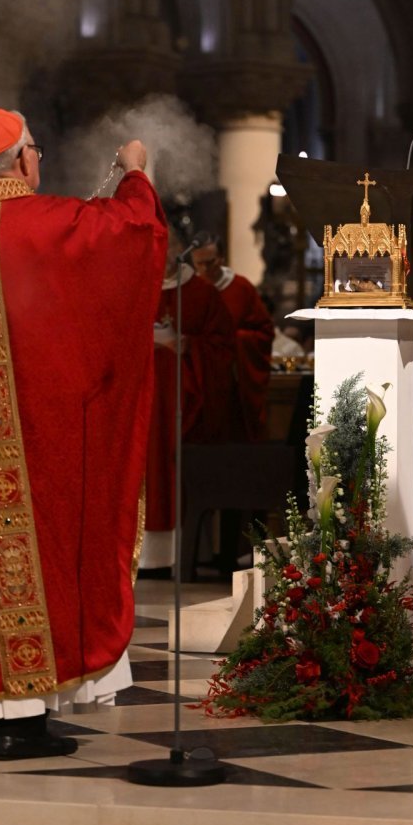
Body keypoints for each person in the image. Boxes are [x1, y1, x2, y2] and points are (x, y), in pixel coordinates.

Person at [0, 108, 166, 761]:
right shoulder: (43, 224)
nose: (40, 162)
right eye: (37, 153)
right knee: (37, 560)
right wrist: (136, 173)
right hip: (34, 443)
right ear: (23, 159)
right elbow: (130, 236)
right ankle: (18, 720)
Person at [140, 228, 235, 572]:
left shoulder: (201, 293)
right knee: (147, 468)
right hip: (145, 401)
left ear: (180, 250)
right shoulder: (136, 286)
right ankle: (147, 556)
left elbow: (223, 344)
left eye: (170, 248)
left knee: (179, 470)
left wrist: (190, 346)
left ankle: (187, 552)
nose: (164, 256)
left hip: (186, 399)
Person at [191, 231, 274, 441]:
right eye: (198, 264)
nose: (204, 269)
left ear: (221, 259)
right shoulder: (193, 290)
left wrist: (237, 341)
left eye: (209, 262)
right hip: (203, 378)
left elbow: (264, 332)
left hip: (236, 379)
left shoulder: (241, 288)